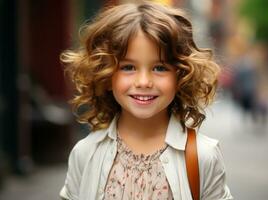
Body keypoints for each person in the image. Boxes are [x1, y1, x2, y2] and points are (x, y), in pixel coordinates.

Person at [59, 1, 233, 200]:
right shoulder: (85, 154)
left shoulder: (203, 157)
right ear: (106, 75)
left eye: (159, 68)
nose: (143, 82)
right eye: (128, 67)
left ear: (181, 76)